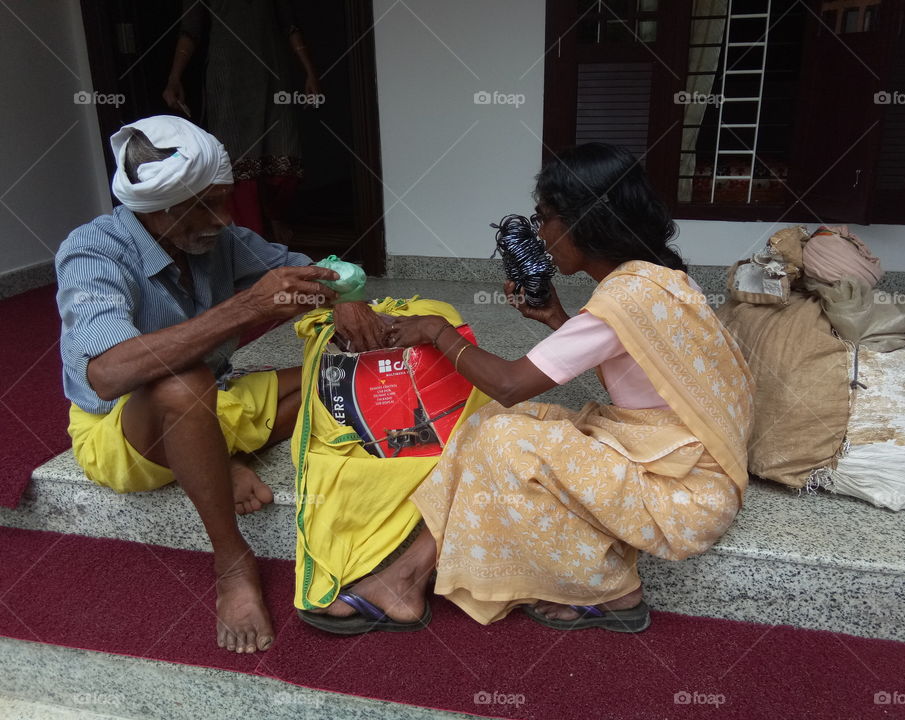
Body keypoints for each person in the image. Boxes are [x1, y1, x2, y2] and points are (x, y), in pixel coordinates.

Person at [297, 143, 755, 634]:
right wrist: (558, 319)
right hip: (677, 462)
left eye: (544, 217)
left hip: (684, 496)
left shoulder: (625, 297)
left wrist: (435, 331)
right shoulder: (655, 281)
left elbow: (510, 383)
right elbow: (632, 368)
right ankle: (406, 579)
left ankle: (615, 592)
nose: (540, 233)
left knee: (505, 438)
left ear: (584, 222)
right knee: (487, 423)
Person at [55, 115, 347, 654]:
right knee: (180, 384)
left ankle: (210, 455)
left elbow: (309, 272)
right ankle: (233, 563)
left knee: (336, 374)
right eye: (205, 205)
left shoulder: (223, 239)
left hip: (214, 398)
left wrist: (340, 297)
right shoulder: (94, 250)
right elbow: (109, 373)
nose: (224, 218)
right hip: (119, 429)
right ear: (155, 209)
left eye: (225, 199)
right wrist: (248, 307)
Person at [162, 0, 319, 240]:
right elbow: (189, 31)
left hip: (271, 76)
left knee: (284, 167)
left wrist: (310, 72)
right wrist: (175, 77)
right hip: (227, 78)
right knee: (240, 168)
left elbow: (290, 26)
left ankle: (275, 217)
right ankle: (253, 248)